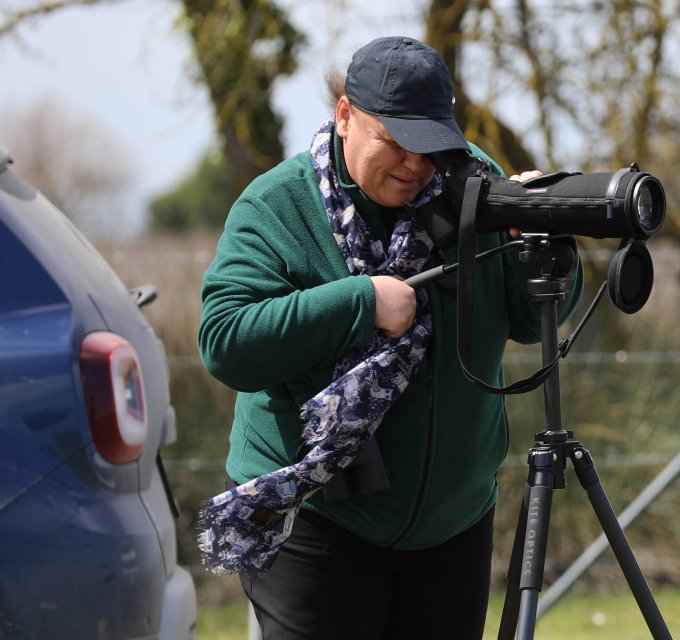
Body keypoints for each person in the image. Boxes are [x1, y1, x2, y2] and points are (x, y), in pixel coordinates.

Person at [196, 36, 582, 639]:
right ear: (345, 115)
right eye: (396, 143)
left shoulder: (475, 182)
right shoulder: (277, 205)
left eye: (431, 147)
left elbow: (534, 322)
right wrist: (361, 302)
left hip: (453, 530)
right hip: (318, 527)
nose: (415, 165)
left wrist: (544, 245)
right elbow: (225, 340)